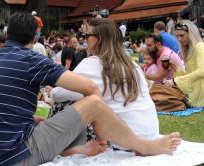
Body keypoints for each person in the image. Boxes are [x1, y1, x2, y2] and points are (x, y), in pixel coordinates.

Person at [0, 12, 181, 166]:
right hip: (15, 157)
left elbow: (54, 97)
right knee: (94, 104)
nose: (82, 37)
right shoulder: (31, 59)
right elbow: (91, 91)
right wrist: (100, 113)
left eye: (86, 35)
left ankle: (76, 148)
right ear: (35, 36)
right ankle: (145, 147)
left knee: (50, 116)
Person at [49, 19, 160, 149]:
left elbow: (59, 94)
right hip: (150, 134)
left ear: (98, 39)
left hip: (121, 141)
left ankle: (65, 147)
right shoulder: (132, 65)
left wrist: (50, 90)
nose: (84, 40)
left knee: (62, 105)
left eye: (87, 36)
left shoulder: (91, 64)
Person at [164, 20, 204, 107]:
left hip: (201, 97)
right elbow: (190, 74)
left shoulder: (200, 47)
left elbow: (202, 72)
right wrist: (175, 67)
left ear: (191, 34)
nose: (179, 39)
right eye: (177, 36)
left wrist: (175, 81)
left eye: (182, 35)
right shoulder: (190, 48)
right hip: (193, 91)